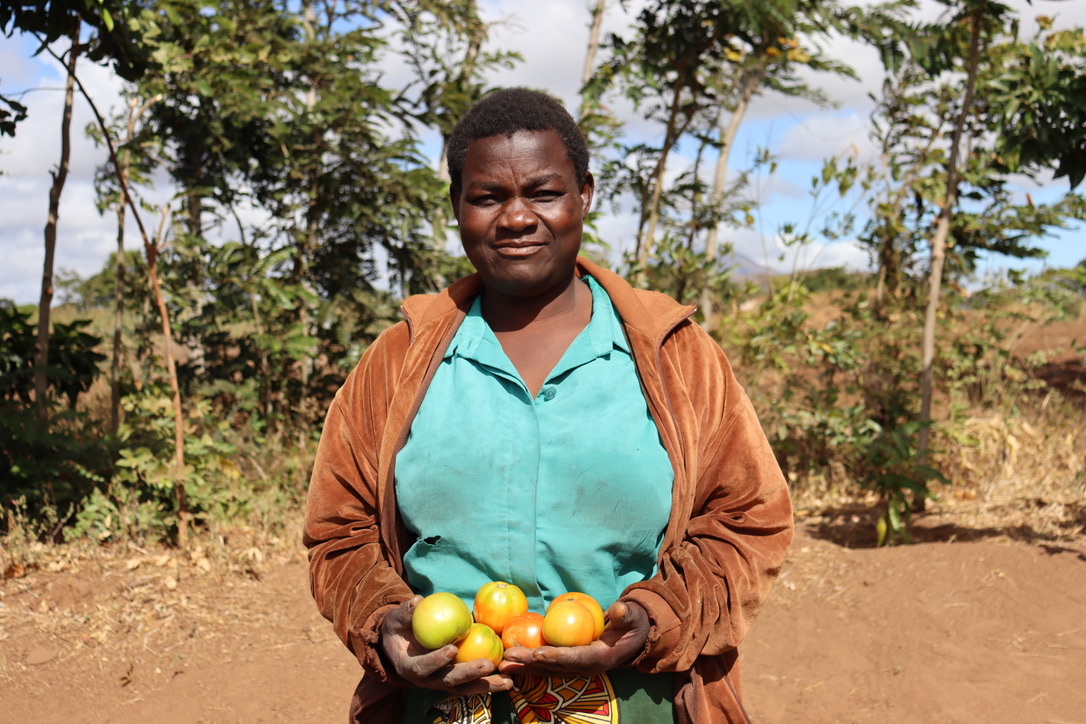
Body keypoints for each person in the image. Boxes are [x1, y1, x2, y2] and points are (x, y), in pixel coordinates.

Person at [304, 87, 794, 723]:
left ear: (583, 194)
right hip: (446, 707)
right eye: (487, 196)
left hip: (636, 702)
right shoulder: (399, 362)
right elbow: (337, 531)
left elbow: (749, 519)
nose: (515, 217)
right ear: (457, 205)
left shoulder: (675, 356)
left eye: (542, 192)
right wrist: (380, 620)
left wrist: (655, 617)